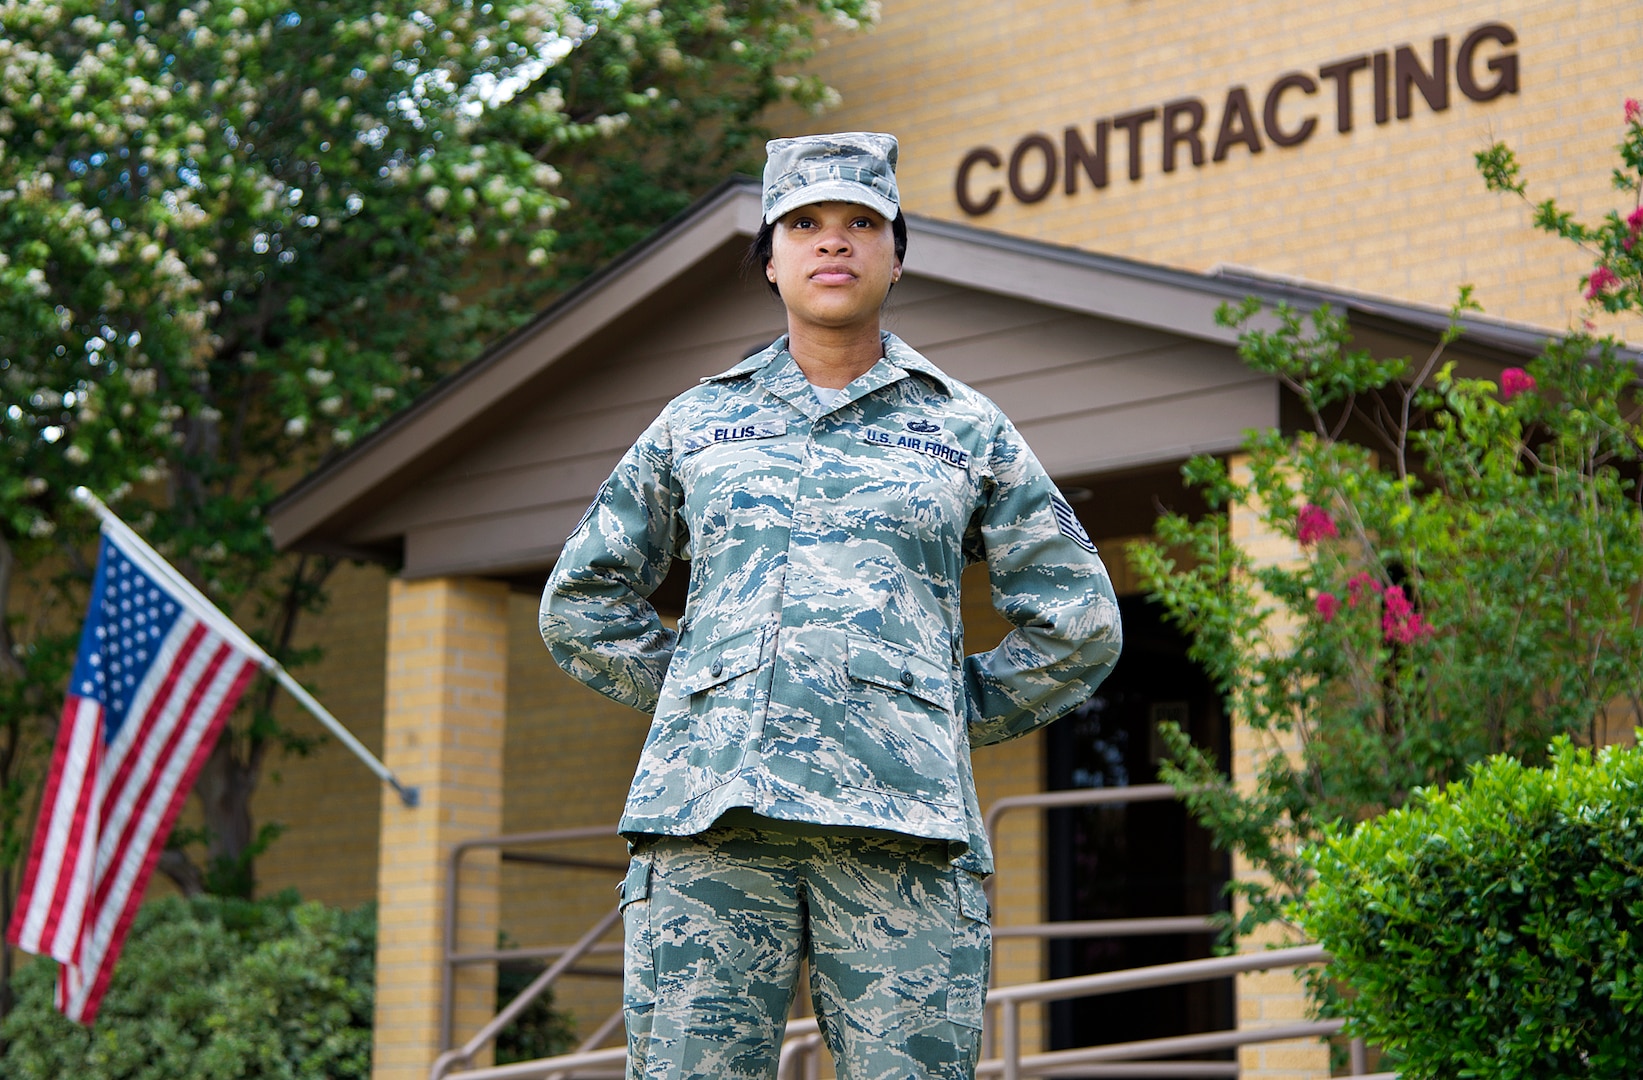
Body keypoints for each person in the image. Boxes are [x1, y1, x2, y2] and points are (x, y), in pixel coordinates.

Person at [540, 131, 1121, 1080]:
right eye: (803, 224)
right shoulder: (698, 421)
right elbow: (582, 600)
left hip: (901, 839)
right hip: (709, 834)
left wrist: (925, 713)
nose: (832, 243)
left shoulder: (964, 427)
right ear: (769, 260)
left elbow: (1079, 620)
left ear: (897, 253)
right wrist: (708, 699)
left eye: (860, 222)